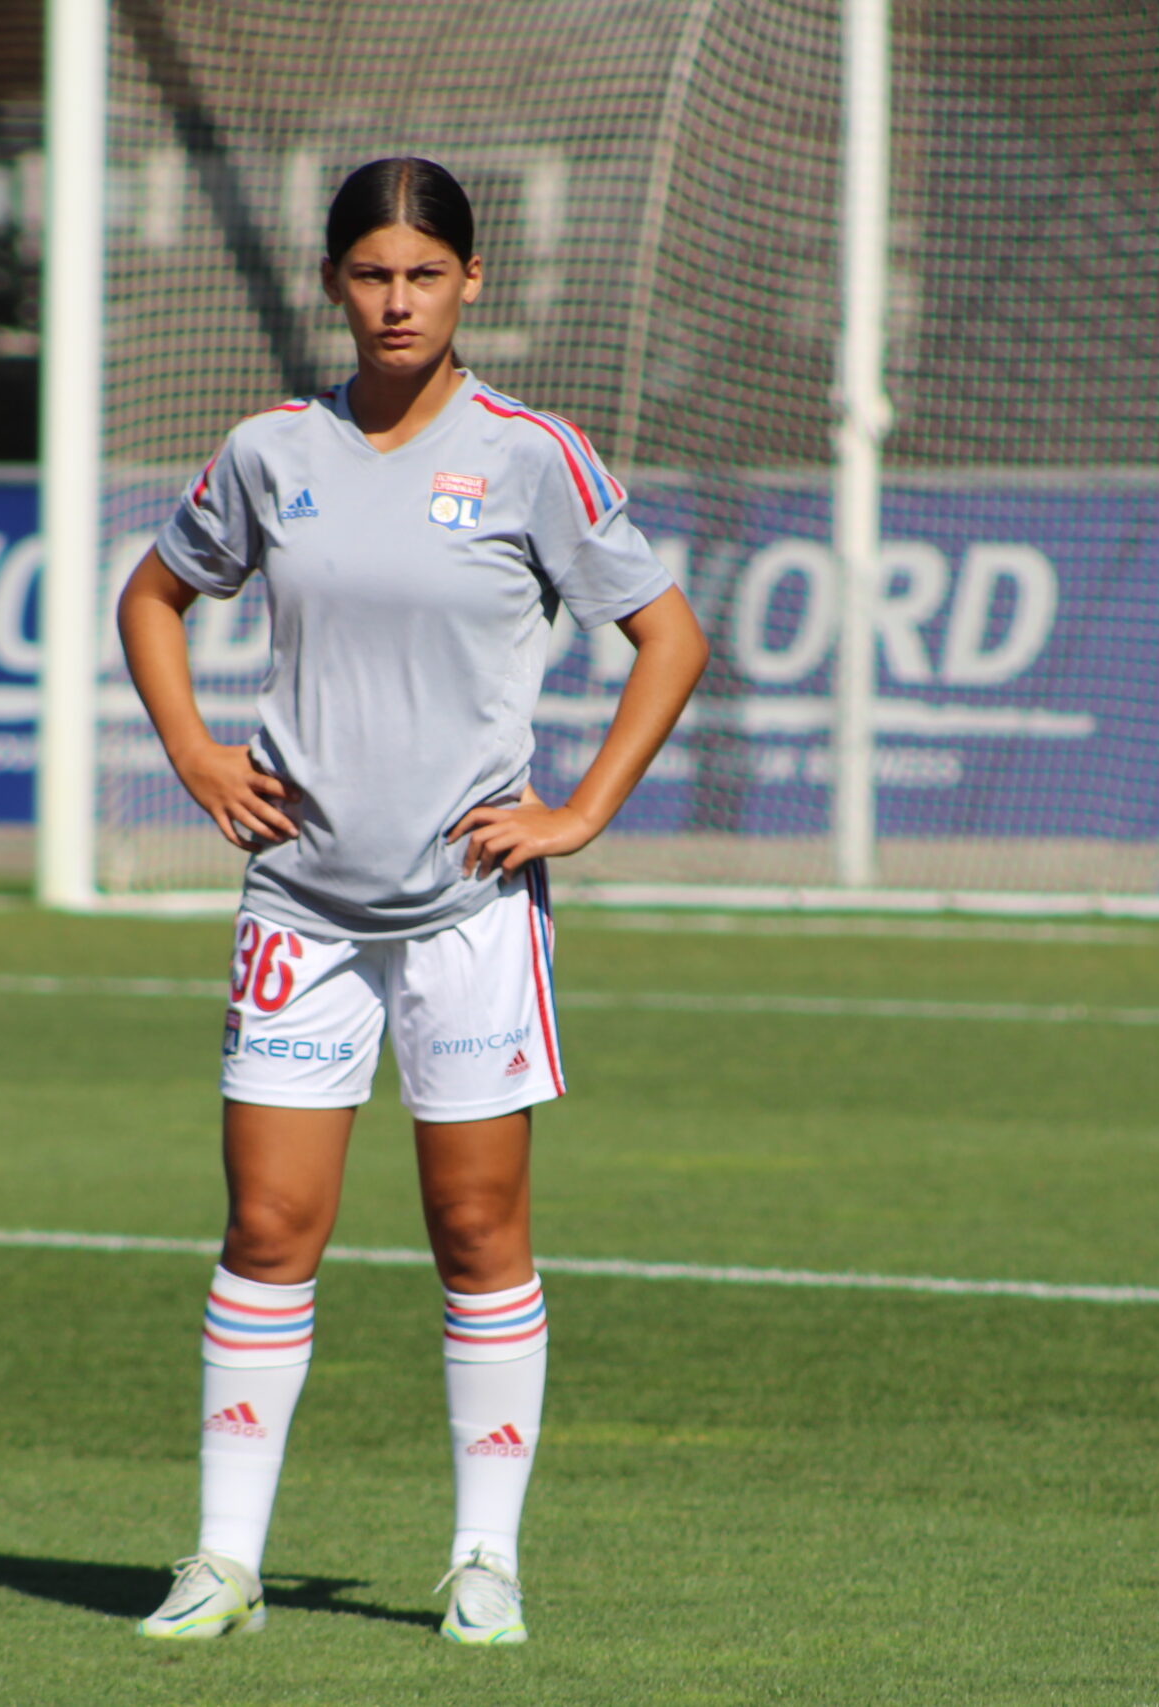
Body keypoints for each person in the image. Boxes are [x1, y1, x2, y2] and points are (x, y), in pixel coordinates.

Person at [116, 157, 708, 1647]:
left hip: (469, 911)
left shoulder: (532, 456)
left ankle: (483, 1561)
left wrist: (579, 811)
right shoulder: (269, 450)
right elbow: (152, 595)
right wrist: (194, 750)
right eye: (372, 273)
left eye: (424, 274)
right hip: (300, 910)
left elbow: (670, 637)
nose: (396, 299)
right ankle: (223, 1560)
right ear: (333, 283)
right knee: (267, 1222)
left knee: (476, 1225)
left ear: (470, 283)